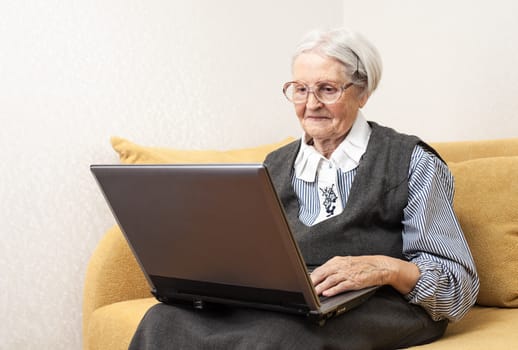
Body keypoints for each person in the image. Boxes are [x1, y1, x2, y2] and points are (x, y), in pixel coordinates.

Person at [129, 28, 479, 349]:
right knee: (162, 322)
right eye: (300, 89)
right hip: (292, 302)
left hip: (380, 301)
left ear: (363, 93)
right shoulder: (274, 165)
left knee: (277, 339)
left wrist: (385, 268)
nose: (311, 104)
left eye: (328, 89)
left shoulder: (412, 161)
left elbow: (457, 288)